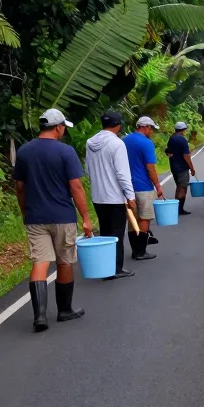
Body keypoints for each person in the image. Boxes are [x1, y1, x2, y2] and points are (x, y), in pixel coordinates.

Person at [13, 108, 92, 332]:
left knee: (40, 262)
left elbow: (19, 186)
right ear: (58, 127)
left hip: (35, 216)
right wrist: (85, 217)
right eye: (63, 127)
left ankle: (39, 316)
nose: (64, 130)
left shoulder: (25, 151)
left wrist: (24, 211)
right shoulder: (65, 152)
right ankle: (65, 310)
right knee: (64, 261)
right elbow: (76, 186)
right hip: (62, 216)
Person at [85, 110, 136, 280]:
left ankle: (105, 267)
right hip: (114, 197)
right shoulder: (117, 144)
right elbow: (122, 174)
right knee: (116, 236)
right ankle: (115, 269)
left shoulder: (90, 142)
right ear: (118, 125)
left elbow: (88, 170)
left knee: (105, 233)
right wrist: (130, 196)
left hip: (98, 196)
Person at [124, 116, 164, 260]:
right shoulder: (146, 143)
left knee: (132, 219)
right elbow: (150, 167)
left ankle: (135, 249)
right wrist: (157, 185)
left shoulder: (124, 140)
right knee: (144, 218)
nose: (151, 131)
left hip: (127, 187)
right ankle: (140, 252)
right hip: (143, 186)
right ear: (145, 127)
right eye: (151, 128)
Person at [166, 121, 196, 215]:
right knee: (183, 188)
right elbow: (186, 155)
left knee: (179, 187)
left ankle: (177, 208)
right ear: (184, 130)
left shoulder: (172, 138)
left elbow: (167, 151)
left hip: (174, 167)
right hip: (182, 168)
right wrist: (192, 168)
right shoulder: (182, 139)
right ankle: (180, 209)